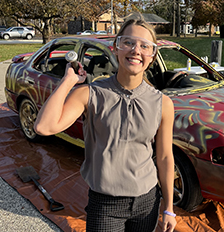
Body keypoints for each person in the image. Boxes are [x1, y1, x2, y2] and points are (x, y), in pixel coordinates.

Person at [34, 18, 177, 232]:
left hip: (147, 202)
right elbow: (44, 127)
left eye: (145, 46)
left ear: (152, 56)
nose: (136, 50)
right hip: (105, 205)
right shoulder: (91, 94)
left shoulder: (162, 103)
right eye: (129, 42)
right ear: (116, 48)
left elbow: (165, 157)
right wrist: (68, 82)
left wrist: (168, 208)